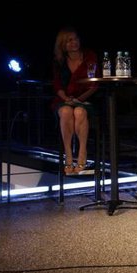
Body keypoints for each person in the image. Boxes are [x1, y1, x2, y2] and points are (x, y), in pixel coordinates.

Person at [51, 27, 99, 175]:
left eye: (75, 39)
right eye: (69, 40)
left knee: (79, 111)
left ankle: (82, 153)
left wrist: (78, 100)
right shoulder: (59, 61)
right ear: (63, 45)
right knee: (66, 111)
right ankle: (69, 156)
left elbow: (94, 84)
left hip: (86, 99)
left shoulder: (89, 55)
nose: (74, 43)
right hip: (64, 100)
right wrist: (67, 99)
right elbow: (57, 85)